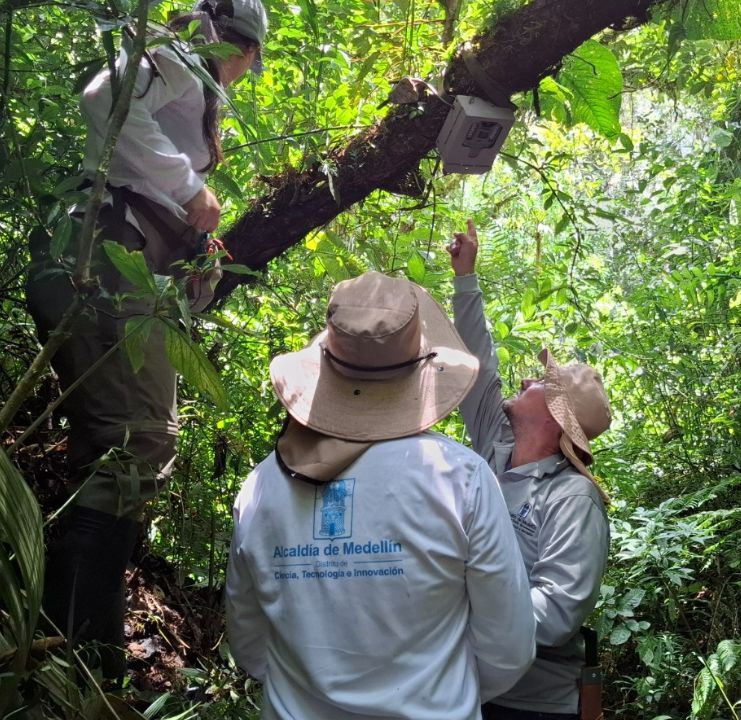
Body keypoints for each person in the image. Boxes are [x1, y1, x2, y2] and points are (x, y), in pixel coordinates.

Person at [25, 0, 268, 675]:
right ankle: (80, 662)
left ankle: (67, 652)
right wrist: (189, 190)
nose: (239, 78)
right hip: (104, 249)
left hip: (107, 251)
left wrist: (195, 248)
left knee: (117, 450)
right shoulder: (191, 51)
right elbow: (104, 100)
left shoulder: (185, 63)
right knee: (135, 446)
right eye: (247, 65)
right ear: (243, 49)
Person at [225, 271, 536, 719]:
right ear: (423, 367)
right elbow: (507, 645)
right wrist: (442, 691)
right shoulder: (460, 477)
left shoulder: (261, 485)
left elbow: (249, 641)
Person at [447, 220, 613, 720]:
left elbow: (557, 613)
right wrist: (465, 278)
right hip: (467, 689)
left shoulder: (572, 499)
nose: (524, 380)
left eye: (540, 382)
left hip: (531, 705)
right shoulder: (494, 448)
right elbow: (478, 365)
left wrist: (455, 613)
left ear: (556, 416)